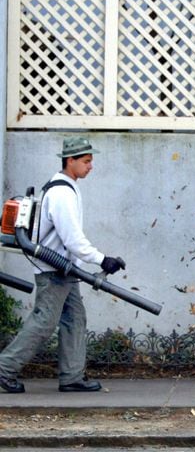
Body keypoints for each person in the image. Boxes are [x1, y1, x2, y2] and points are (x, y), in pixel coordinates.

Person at [0, 137, 125, 393]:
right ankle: (4, 369)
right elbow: (73, 240)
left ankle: (71, 377)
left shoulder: (67, 187)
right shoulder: (61, 193)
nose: (91, 167)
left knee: (75, 319)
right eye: (87, 161)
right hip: (53, 270)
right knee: (44, 322)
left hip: (65, 271)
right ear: (71, 160)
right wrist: (102, 260)